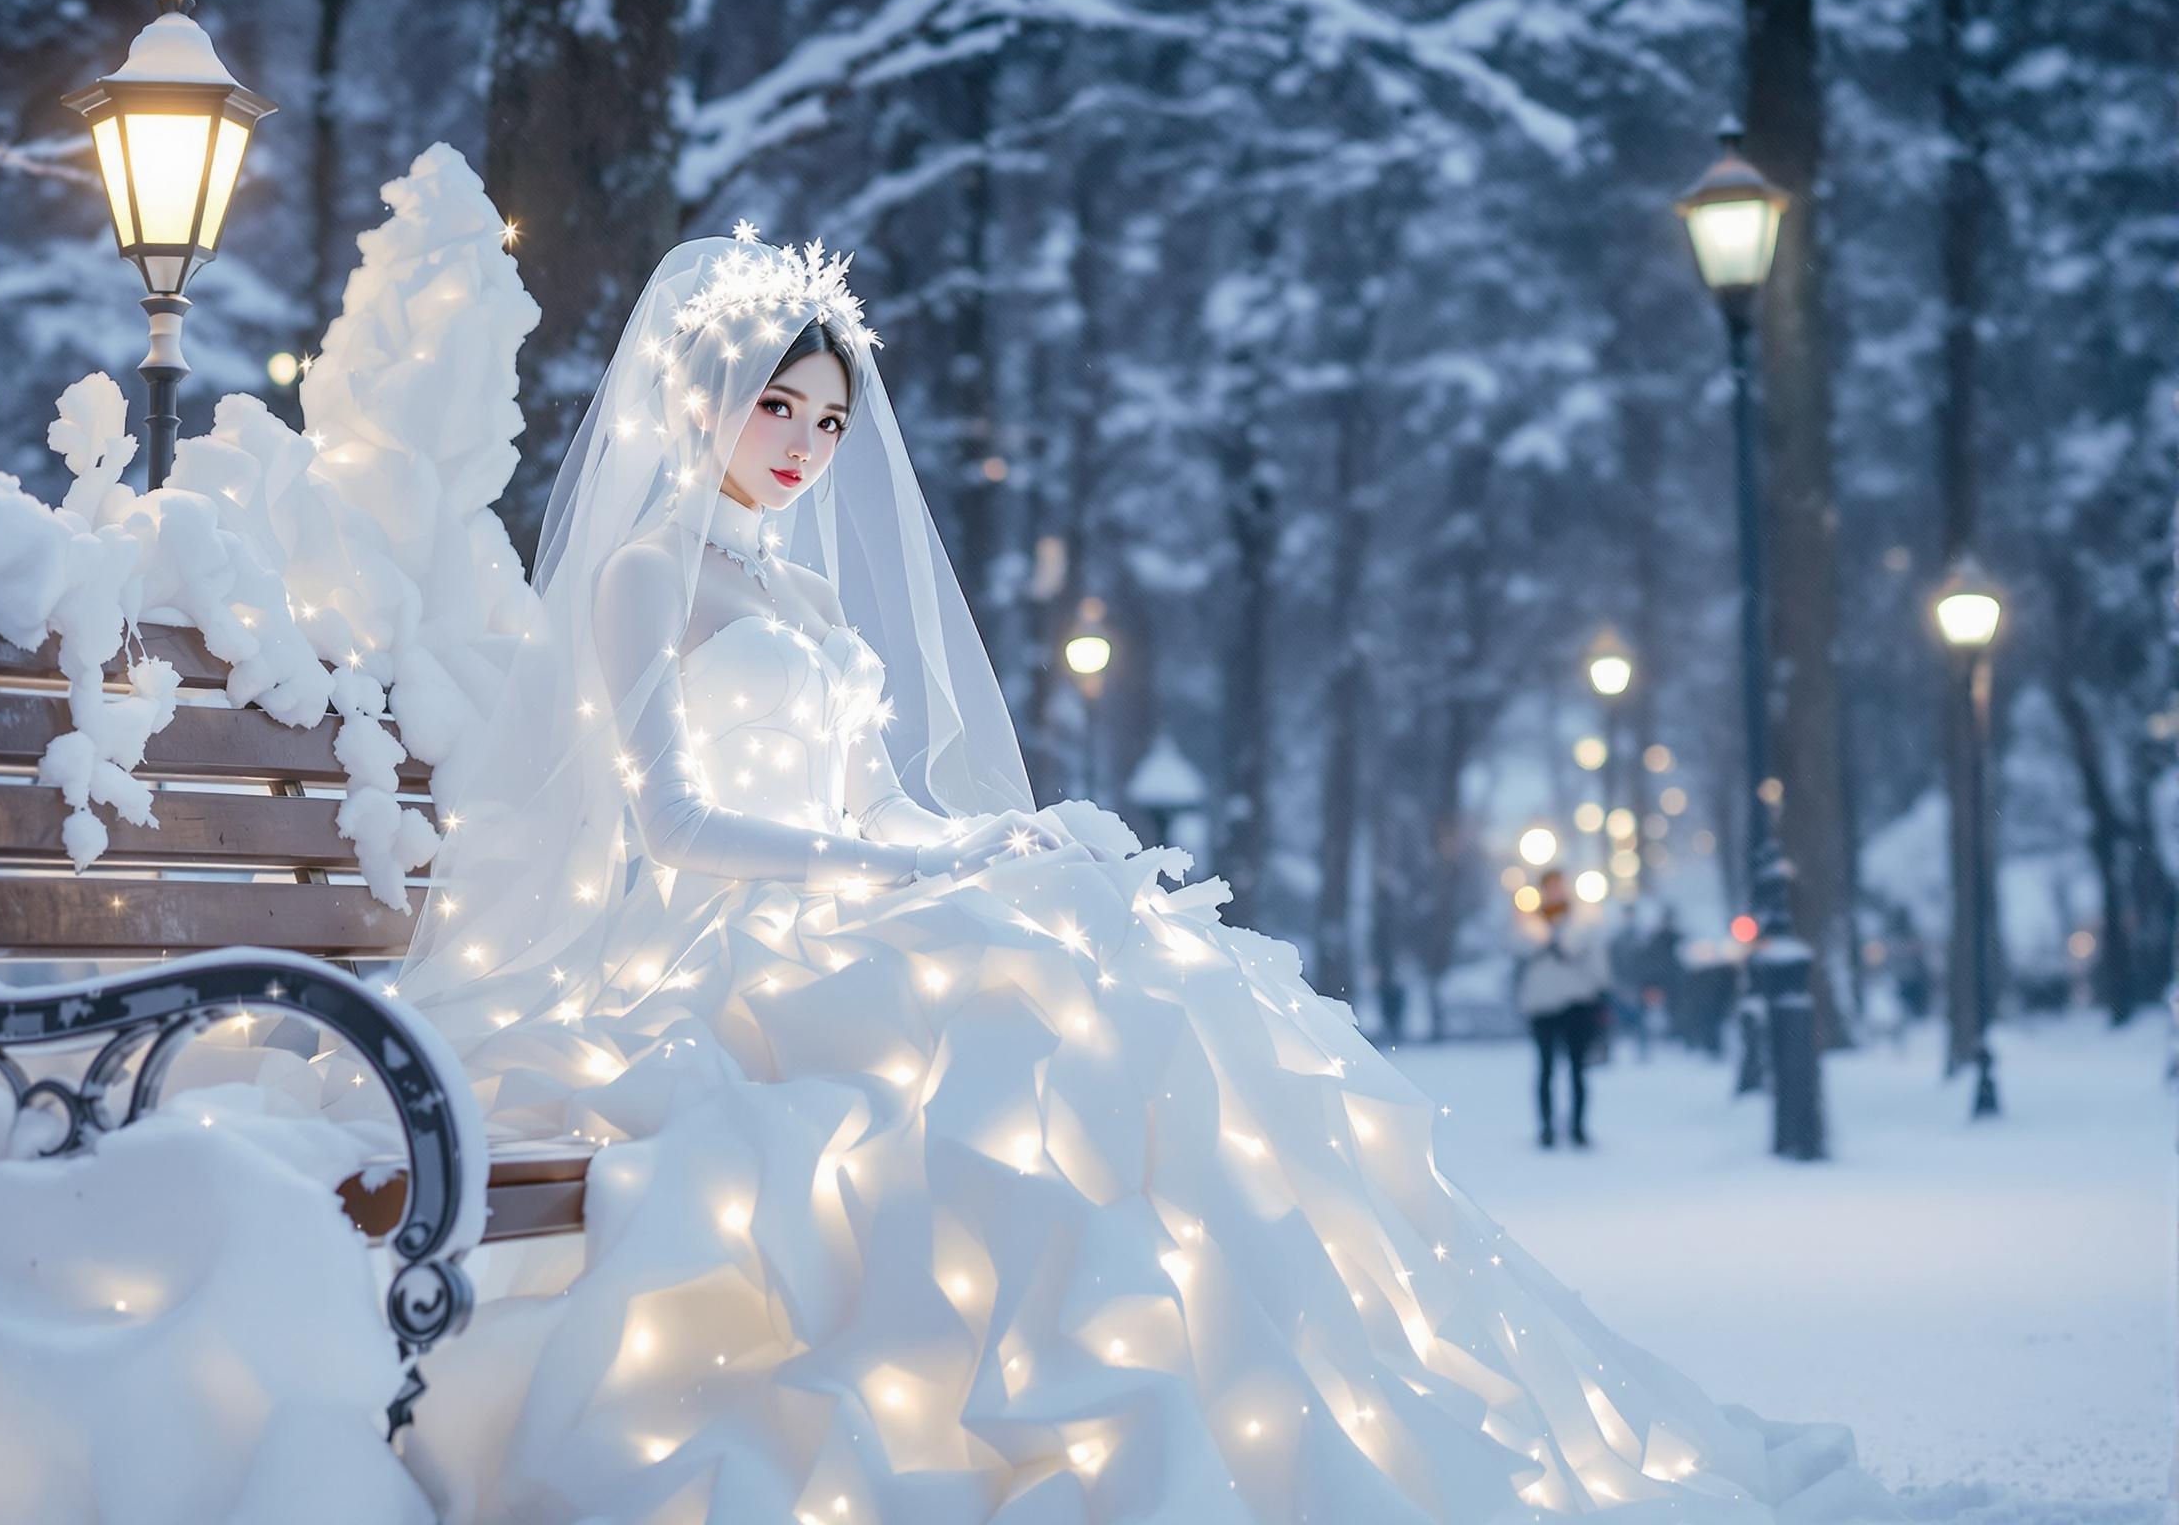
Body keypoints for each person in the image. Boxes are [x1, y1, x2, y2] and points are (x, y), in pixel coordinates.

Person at [385, 230, 1889, 1522]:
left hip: (843, 901)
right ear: (702, 393)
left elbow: (875, 797)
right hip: (723, 948)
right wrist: (896, 860)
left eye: (830, 420)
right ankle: (1119, 1406)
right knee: (1023, 1028)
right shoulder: (653, 571)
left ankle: (1302, 1389)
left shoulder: (793, 584)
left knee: (1145, 978)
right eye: (776, 404)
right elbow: (675, 825)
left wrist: (977, 841)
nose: (801, 444)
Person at [1517, 870, 1610, 1149]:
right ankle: (1546, 1127)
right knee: (1545, 1069)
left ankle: (1578, 1127)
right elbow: (1518, 951)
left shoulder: (1582, 922)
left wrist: (1600, 991)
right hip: (1542, 1006)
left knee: (1577, 1069)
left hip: (1576, 1005)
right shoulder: (1527, 924)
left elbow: (1595, 960)